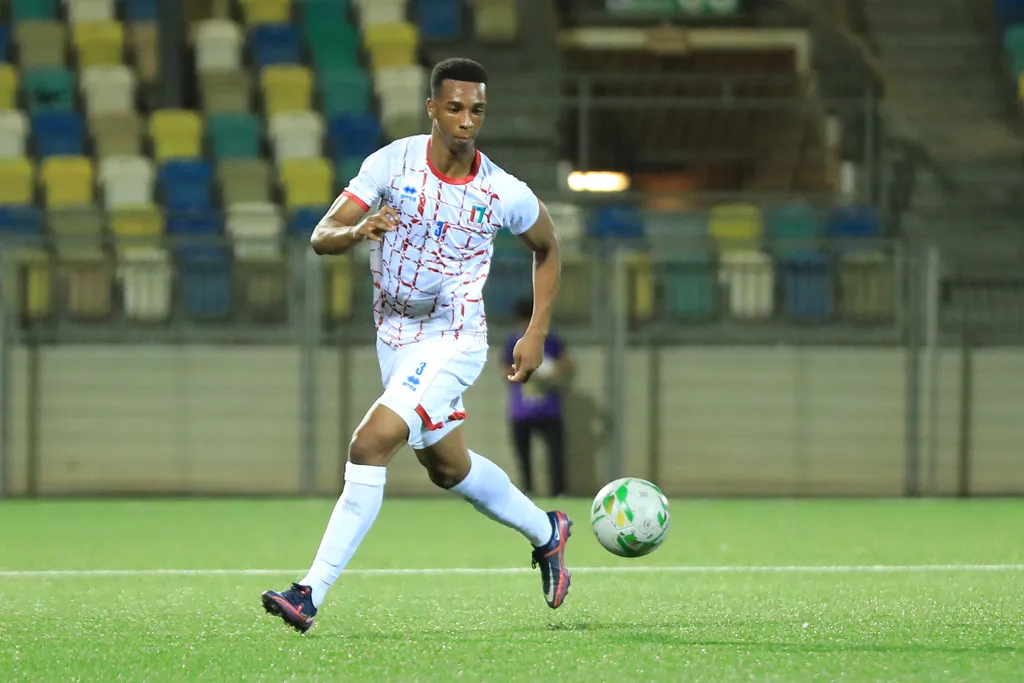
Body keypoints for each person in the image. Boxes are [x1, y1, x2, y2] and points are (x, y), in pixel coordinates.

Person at [260, 58, 572, 633]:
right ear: (432, 108)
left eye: (476, 110)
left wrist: (536, 332)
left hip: (454, 338)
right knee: (448, 468)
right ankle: (547, 531)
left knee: (370, 443)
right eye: (454, 108)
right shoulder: (391, 163)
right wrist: (357, 230)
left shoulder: (501, 191)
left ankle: (308, 593)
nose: (466, 120)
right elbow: (321, 235)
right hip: (395, 337)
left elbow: (548, 247)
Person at [504, 298, 574, 497]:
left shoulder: (551, 341)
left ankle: (559, 491)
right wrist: (525, 372)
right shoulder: (513, 342)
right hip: (521, 412)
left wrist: (551, 372)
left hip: (549, 410)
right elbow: (504, 371)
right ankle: (527, 491)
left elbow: (568, 365)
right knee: (523, 455)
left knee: (556, 453)